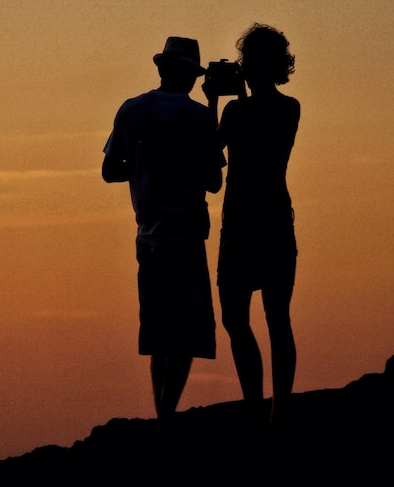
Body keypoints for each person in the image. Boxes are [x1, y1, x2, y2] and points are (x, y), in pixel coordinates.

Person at [102, 36, 225, 436]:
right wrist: (213, 107)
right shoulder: (200, 117)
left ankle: (162, 417)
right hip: (187, 234)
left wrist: (144, 168)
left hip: (148, 236)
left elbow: (109, 170)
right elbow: (213, 181)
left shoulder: (132, 109)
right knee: (186, 332)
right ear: (192, 76)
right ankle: (167, 418)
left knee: (158, 330)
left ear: (160, 69)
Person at [204, 23, 300, 430]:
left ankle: (257, 408)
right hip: (275, 220)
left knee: (239, 319)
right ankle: (276, 409)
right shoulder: (289, 107)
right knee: (275, 317)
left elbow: (211, 158)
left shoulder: (237, 111)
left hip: (243, 223)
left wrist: (212, 102)